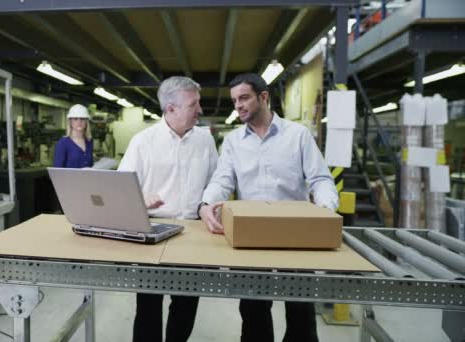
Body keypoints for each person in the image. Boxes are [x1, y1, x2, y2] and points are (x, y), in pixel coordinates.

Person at [198, 73, 338, 342]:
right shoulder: (233, 142)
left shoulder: (297, 136)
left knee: (301, 316)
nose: (238, 105)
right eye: (234, 100)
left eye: (244, 98)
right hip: (251, 236)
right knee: (253, 313)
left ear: (264, 97)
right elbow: (222, 179)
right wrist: (206, 204)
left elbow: (320, 179)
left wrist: (325, 210)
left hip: (297, 236)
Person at [118, 76, 218, 342]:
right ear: (170, 109)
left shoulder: (205, 141)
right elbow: (119, 190)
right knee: (148, 306)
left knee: (186, 306)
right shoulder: (143, 142)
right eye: (193, 104)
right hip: (152, 232)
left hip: (193, 233)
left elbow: (215, 183)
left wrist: (208, 204)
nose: (200, 110)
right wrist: (139, 198)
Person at [53, 104, 93, 168]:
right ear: (70, 122)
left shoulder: (89, 141)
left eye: (82, 119)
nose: (79, 122)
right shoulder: (63, 143)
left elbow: (90, 165)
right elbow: (57, 171)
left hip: (87, 178)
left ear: (86, 122)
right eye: (75, 119)